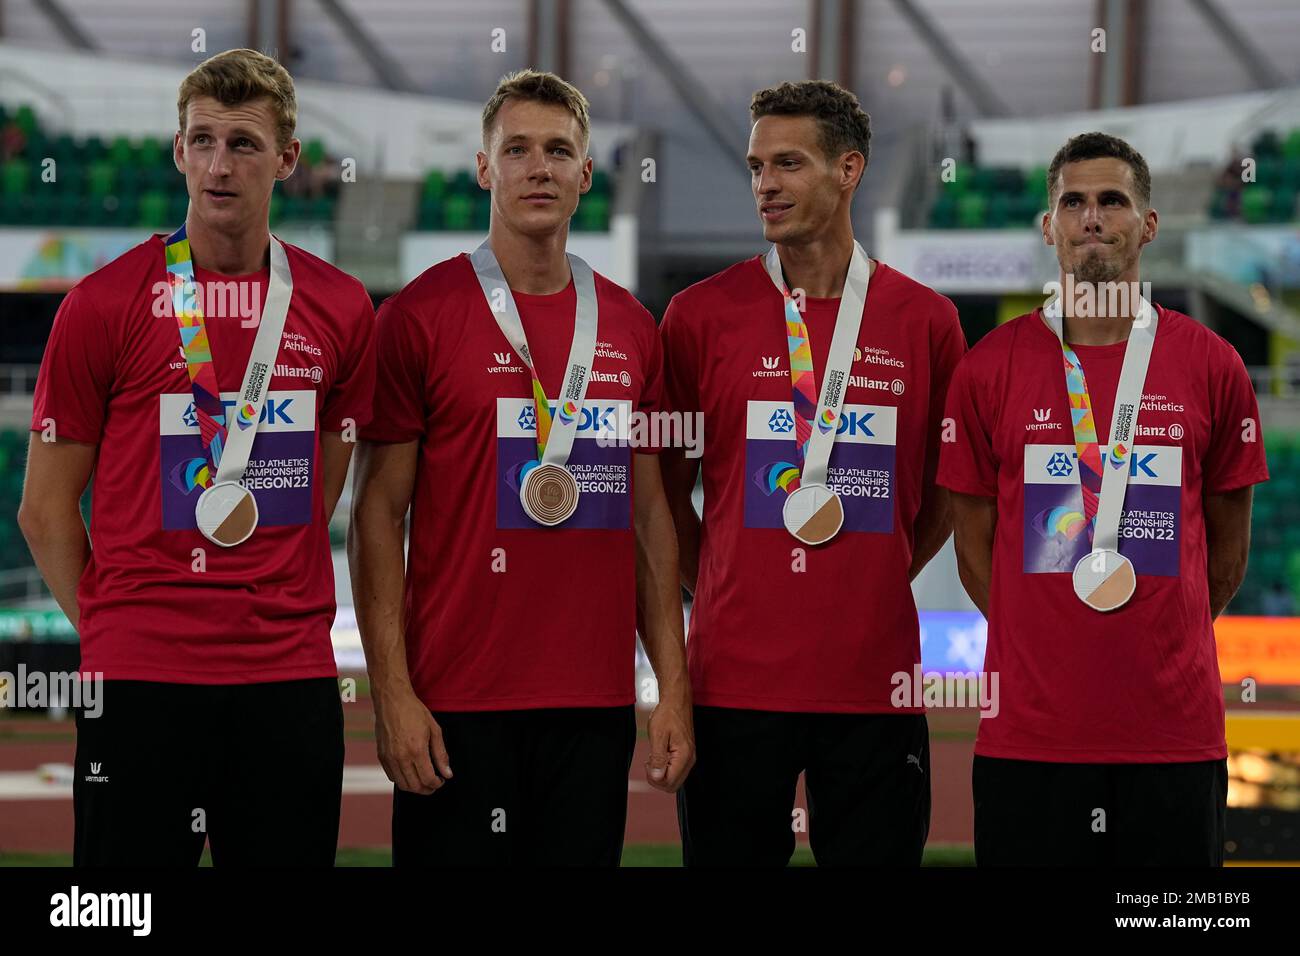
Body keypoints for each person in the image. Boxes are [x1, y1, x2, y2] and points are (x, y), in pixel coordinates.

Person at [18, 49, 376, 866]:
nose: (220, 164)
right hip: (141, 684)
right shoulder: (100, 305)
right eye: (202, 140)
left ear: (287, 159)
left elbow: (319, 489)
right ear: (178, 151)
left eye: (244, 143)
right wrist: (119, 631)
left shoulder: (341, 308)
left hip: (286, 682)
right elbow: (42, 510)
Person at [349, 69, 693, 867]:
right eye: (518, 150)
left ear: (584, 175)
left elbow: (650, 521)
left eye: (558, 151)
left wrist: (670, 689)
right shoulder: (417, 318)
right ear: (483, 168)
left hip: (593, 708)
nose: (539, 168)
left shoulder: (634, 327)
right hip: (456, 706)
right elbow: (377, 513)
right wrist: (392, 694)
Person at [939, 131, 1269, 866]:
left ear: (1147, 224)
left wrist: (1156, 630)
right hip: (1031, 739)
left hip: (1172, 739)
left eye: (1112, 201)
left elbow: (1227, 549)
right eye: (1073, 202)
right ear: (1049, 225)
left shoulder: (1212, 365)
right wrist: (1049, 634)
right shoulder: (987, 368)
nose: (1092, 217)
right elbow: (972, 547)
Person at [659, 80, 965, 866]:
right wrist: (722, 578)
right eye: (757, 165)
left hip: (875, 685)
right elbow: (658, 494)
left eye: (789, 164)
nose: (765, 184)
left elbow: (948, 489)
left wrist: (884, 564)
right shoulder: (698, 317)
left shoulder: (926, 321)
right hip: (731, 686)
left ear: (849, 170)